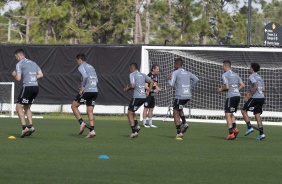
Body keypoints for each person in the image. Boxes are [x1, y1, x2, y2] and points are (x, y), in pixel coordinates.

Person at [12, 49, 43, 138]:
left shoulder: (19, 64)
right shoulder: (33, 63)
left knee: (18, 106)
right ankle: (31, 126)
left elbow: (18, 78)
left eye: (16, 57)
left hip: (27, 87)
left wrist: (13, 74)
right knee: (27, 106)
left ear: (18, 56)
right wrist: (32, 77)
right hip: (35, 87)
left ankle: (24, 128)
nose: (16, 59)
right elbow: (41, 74)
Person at [167, 58, 199, 139]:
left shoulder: (175, 73)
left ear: (177, 64)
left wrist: (168, 80)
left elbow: (171, 85)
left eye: (174, 64)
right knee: (179, 108)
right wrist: (189, 87)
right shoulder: (187, 72)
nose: (174, 66)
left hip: (180, 96)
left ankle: (179, 132)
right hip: (187, 96)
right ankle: (184, 122)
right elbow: (196, 79)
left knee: (175, 112)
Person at [71, 53, 98, 138]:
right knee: (89, 111)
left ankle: (81, 123)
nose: (77, 62)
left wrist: (83, 87)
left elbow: (85, 77)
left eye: (77, 60)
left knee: (74, 106)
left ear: (79, 60)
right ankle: (92, 130)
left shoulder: (81, 66)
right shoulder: (91, 67)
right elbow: (96, 79)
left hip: (88, 91)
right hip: (95, 91)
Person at [124, 63, 154, 138]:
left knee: (129, 113)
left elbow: (132, 85)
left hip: (137, 97)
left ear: (131, 68)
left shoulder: (132, 74)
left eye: (129, 69)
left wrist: (127, 89)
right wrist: (148, 91)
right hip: (143, 97)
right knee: (132, 111)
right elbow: (152, 82)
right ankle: (136, 126)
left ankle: (134, 131)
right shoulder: (143, 74)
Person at [217, 60, 245, 140]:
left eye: (223, 66)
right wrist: (236, 90)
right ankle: (235, 129)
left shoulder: (225, 75)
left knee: (227, 114)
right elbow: (242, 85)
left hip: (231, 96)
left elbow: (227, 87)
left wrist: (220, 89)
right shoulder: (236, 74)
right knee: (231, 113)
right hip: (237, 96)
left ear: (225, 66)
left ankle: (231, 133)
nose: (223, 68)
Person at [241, 63, 266, 140]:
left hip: (256, 97)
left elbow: (255, 86)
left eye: (250, 68)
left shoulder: (252, 76)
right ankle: (261, 133)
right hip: (262, 97)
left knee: (243, 110)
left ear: (252, 69)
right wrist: (250, 91)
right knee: (257, 114)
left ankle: (249, 127)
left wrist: (249, 95)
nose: (249, 69)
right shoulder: (260, 77)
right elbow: (263, 89)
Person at [142, 64, 161, 128]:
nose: (158, 70)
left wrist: (158, 89)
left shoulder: (156, 76)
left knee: (151, 109)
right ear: (153, 69)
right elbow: (145, 86)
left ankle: (150, 123)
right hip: (147, 95)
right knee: (146, 109)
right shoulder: (149, 76)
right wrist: (153, 91)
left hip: (152, 95)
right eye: (157, 69)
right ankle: (144, 123)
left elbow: (155, 85)